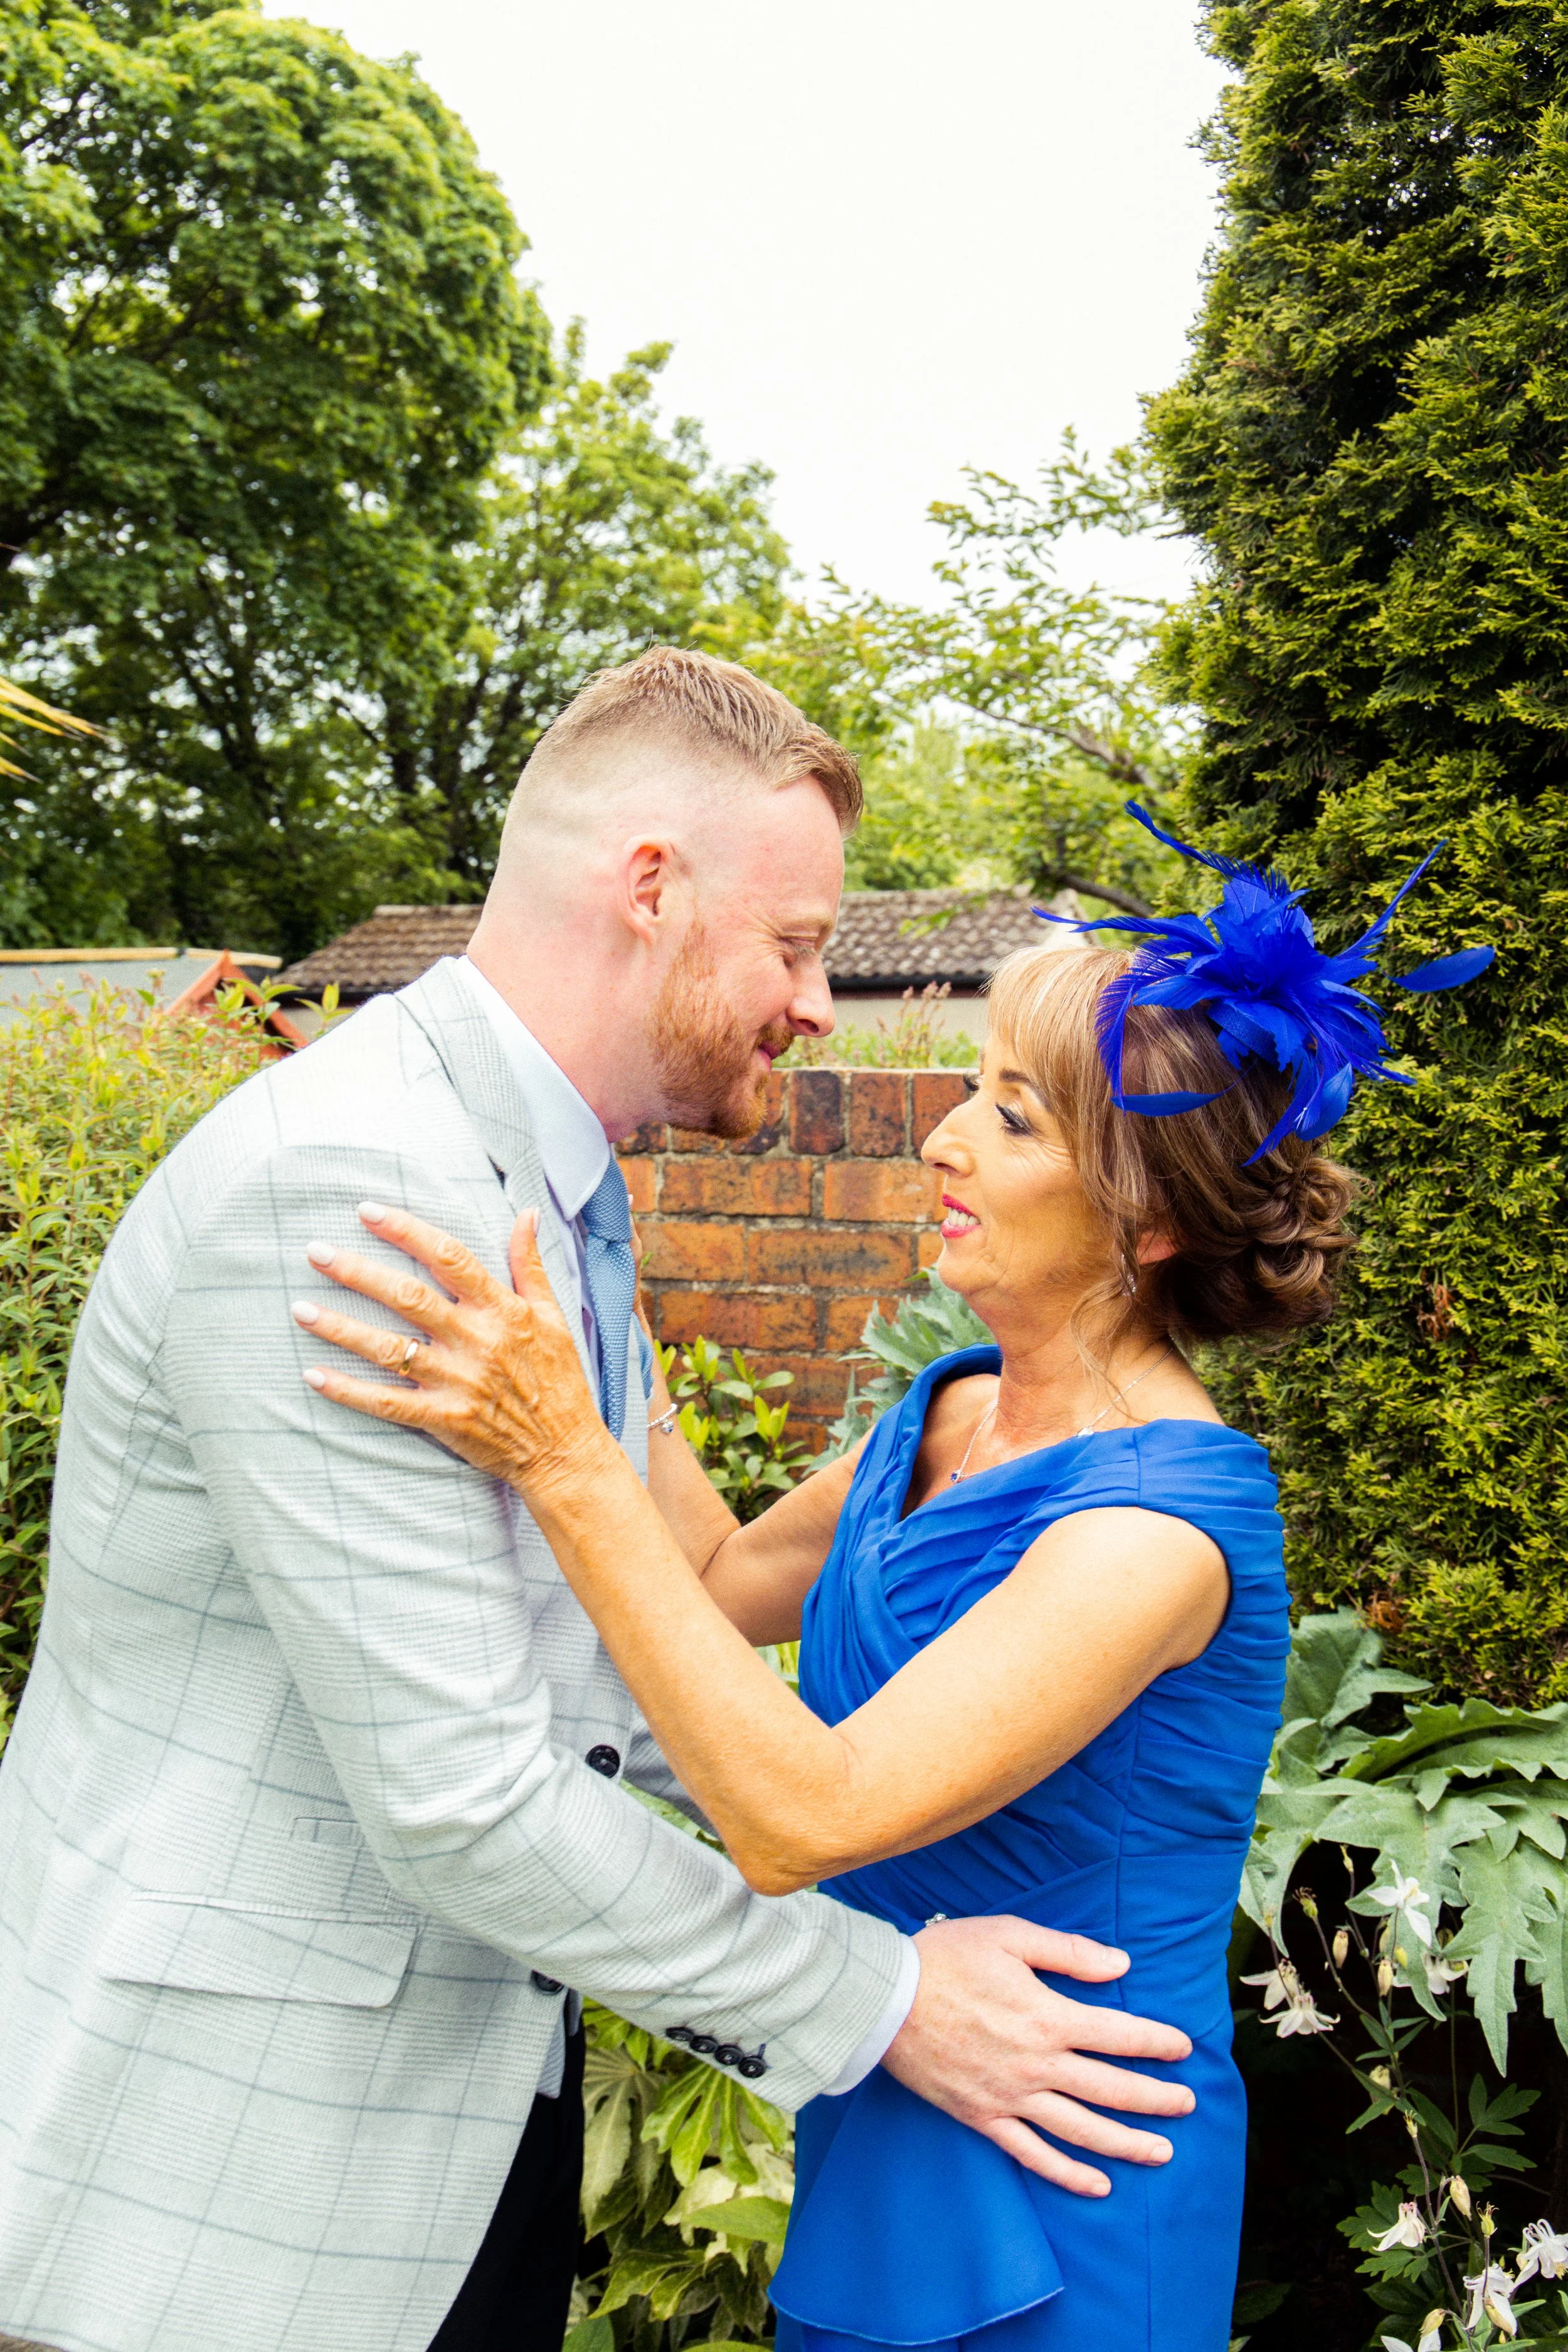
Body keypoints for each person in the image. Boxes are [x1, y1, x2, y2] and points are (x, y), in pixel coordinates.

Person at [0, 653, 1196, 2352]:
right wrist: (886, 1999)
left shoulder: (546, 1184)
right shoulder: (361, 1187)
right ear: (650, 888)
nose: (817, 1005)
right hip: (238, 2175)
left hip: (459, 2101)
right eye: (792, 945)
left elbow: (661, 1605)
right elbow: (463, 1792)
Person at [299, 803, 1492, 2351]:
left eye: (1009, 1115)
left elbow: (806, 1817)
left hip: (1070, 2168)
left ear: (1139, 1218)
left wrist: (560, 1455)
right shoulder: (945, 1413)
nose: (941, 1134)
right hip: (903, 2089)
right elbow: (718, 1581)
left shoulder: (1159, 1527)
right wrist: (596, 1291)